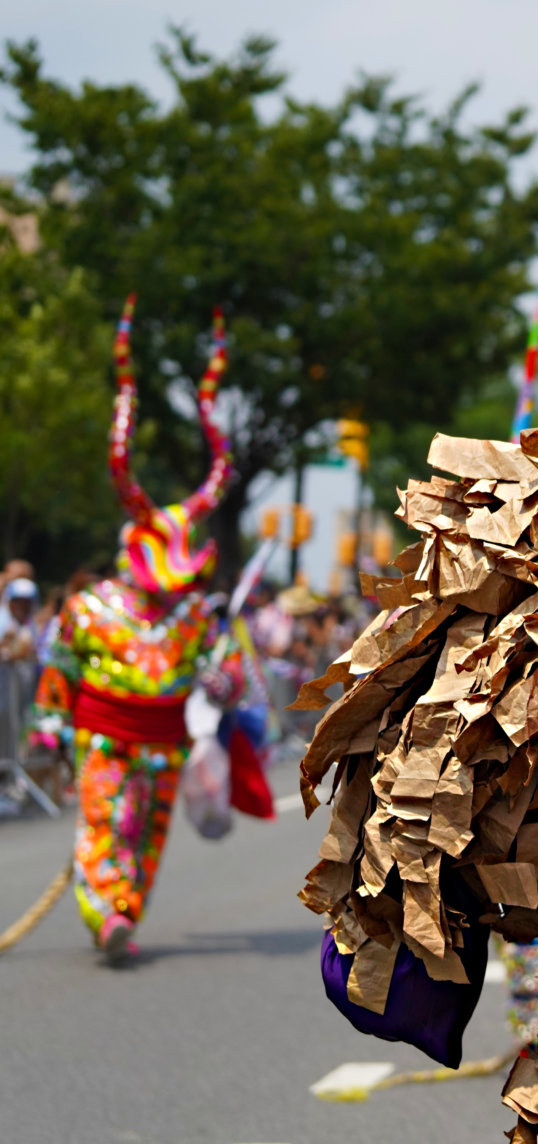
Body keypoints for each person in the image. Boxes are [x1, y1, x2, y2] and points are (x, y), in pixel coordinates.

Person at [29, 298, 252, 964]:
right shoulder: (90, 607)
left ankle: (125, 908)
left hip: (164, 743)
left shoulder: (193, 618)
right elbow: (59, 668)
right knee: (105, 822)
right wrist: (46, 727)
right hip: (102, 735)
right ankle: (108, 914)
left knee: (148, 832)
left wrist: (223, 679)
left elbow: (229, 666)